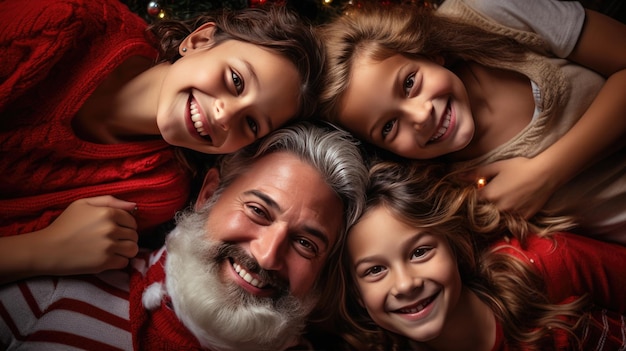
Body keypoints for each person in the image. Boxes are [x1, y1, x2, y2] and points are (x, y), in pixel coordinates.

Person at [0, 0, 325, 284]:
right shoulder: (65, 22)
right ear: (199, 41)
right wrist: (41, 250)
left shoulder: (156, 189)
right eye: (235, 80)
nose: (226, 117)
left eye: (252, 124)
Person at [0, 121, 369, 350]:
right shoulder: (60, 289)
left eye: (306, 243)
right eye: (257, 211)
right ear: (209, 195)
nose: (267, 256)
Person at [317, 0, 626, 243]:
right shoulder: (447, 189)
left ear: (428, 52)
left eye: (409, 83)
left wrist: (545, 174)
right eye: (388, 127)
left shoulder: (489, 12)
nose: (422, 116)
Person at [327, 160, 626, 351]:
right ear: (356, 293)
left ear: (456, 246)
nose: (406, 284)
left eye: (420, 252)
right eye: (375, 270)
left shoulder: (544, 263)